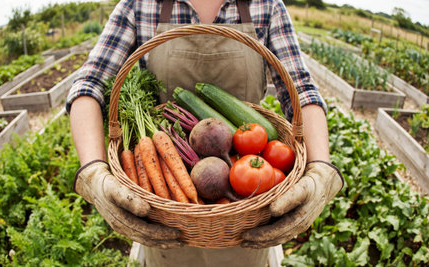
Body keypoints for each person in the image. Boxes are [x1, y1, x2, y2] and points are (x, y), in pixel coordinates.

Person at [67, 0, 344, 266]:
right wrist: (93, 172)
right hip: (167, 207)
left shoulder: (266, 5)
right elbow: (89, 86)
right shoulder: (139, 4)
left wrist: (320, 169)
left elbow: (301, 91)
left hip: (246, 210)